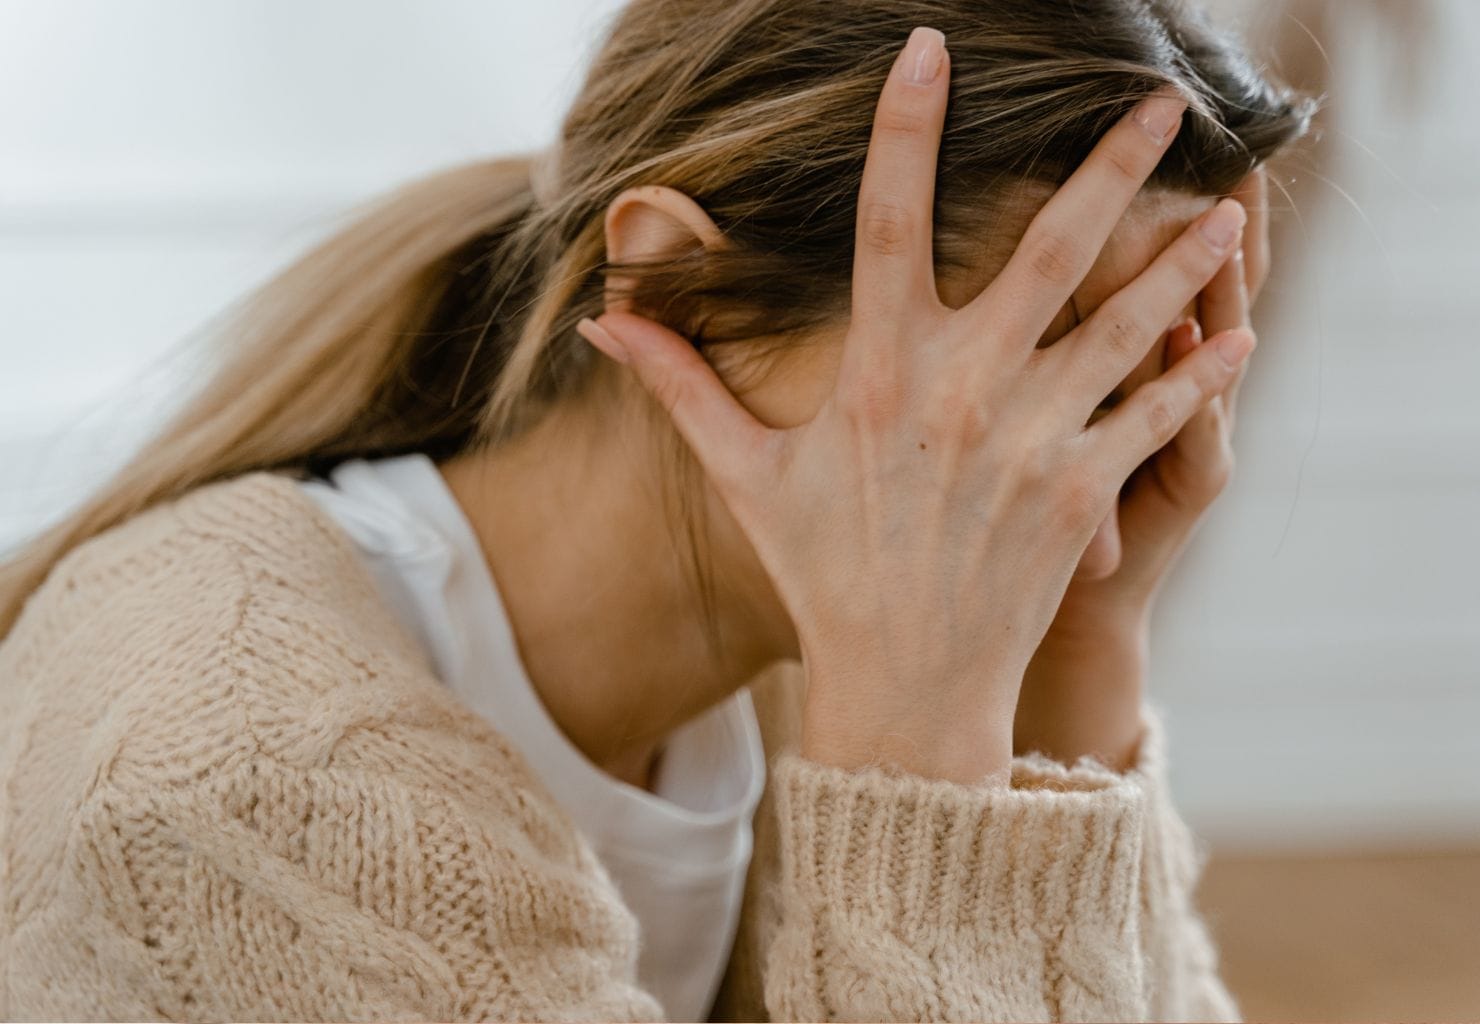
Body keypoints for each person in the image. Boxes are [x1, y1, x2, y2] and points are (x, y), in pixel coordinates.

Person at [0, 1, 1314, 1020]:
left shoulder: (792, 680)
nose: (1072, 496)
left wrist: (1077, 659)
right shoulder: (259, 789)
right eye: (1031, 364)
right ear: (678, 286)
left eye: (1136, 390)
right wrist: (917, 768)